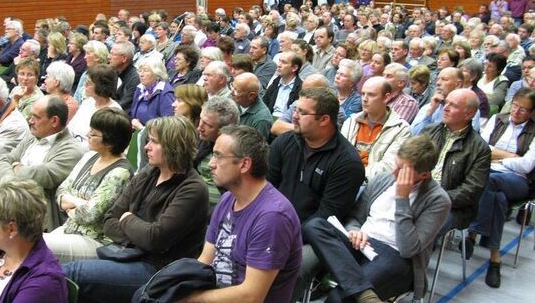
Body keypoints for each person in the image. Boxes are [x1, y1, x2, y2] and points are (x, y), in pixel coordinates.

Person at [62, 116, 209, 302]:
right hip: (125, 254)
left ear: (174, 146)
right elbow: (109, 221)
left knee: (70, 272)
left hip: (159, 272)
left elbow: (155, 239)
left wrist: (127, 219)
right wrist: (140, 234)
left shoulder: (193, 189)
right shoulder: (149, 172)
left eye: (154, 142)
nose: (146, 147)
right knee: (60, 271)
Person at [307, 135, 451, 302]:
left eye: (403, 171)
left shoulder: (438, 200)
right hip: (361, 243)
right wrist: (354, 231)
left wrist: (402, 199)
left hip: (395, 255)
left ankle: (356, 289)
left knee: (338, 298)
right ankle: (364, 292)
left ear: (424, 175)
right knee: (314, 225)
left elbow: (409, 249)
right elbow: (355, 216)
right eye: (396, 166)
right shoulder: (383, 179)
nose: (394, 173)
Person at [182, 125, 302, 302]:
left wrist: (192, 299)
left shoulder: (272, 217)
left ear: (244, 164)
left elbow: (251, 296)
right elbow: (205, 260)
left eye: (218, 156)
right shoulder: (227, 200)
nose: (210, 164)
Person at [268, 87, 364, 301]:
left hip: (312, 237)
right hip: (273, 223)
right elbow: (265, 188)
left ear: (324, 120)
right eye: (295, 109)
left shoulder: (347, 163)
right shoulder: (285, 142)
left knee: (291, 266)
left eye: (302, 112)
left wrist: (283, 237)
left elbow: (326, 218)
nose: (294, 115)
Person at [44, 108, 133, 262]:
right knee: (24, 240)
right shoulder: (89, 156)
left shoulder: (120, 172)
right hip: (68, 229)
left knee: (36, 244)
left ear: (110, 141)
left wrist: (71, 204)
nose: (86, 135)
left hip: (95, 240)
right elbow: (61, 191)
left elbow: (90, 215)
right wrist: (80, 203)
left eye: (93, 133)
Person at [468, 87, 535, 288]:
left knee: (487, 180)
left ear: (532, 112)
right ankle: (495, 260)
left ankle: (474, 232)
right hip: (490, 173)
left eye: (523, 110)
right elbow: (481, 147)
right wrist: (510, 156)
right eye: (515, 106)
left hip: (519, 181)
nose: (516, 112)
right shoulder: (498, 118)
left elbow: (526, 165)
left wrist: (498, 156)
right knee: (498, 199)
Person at [0, 95, 83, 231]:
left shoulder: (71, 150)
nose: (30, 121)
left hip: (35, 219)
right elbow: (2, 161)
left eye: (36, 117)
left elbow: (41, 176)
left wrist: (16, 167)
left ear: (54, 121)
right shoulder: (32, 136)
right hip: (8, 206)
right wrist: (14, 176)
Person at [418, 89, 490, 236]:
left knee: (424, 227)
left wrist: (434, 197)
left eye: (453, 105)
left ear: (469, 114)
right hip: (416, 192)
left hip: (452, 206)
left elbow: (470, 191)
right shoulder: (428, 131)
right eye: (446, 102)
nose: (445, 107)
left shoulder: (480, 149)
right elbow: (409, 163)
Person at [341, 76, 411, 181]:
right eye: (363, 94)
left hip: (373, 184)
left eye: (371, 95)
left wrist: (353, 175)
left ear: (386, 98)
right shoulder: (351, 121)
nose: (364, 99)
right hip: (344, 177)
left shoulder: (401, 129)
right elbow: (339, 154)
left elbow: (389, 166)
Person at [130, 58, 175, 131]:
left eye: (145, 71)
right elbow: (132, 113)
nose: (141, 74)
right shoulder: (140, 88)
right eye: (140, 71)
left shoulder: (166, 94)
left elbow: (168, 128)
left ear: (157, 73)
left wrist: (142, 129)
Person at [231, 73, 273, 139]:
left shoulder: (261, 120)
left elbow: (255, 148)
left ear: (251, 95)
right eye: (232, 86)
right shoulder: (233, 101)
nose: (231, 92)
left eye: (236, 90)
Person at [263, 51, 302, 118]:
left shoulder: (301, 88)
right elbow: (264, 105)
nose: (279, 65)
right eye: (279, 61)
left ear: (294, 68)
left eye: (284, 62)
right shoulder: (274, 84)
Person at [110, 41, 139, 114]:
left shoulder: (135, 78)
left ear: (124, 58)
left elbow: (124, 106)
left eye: (112, 54)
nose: (108, 57)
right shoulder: (112, 72)